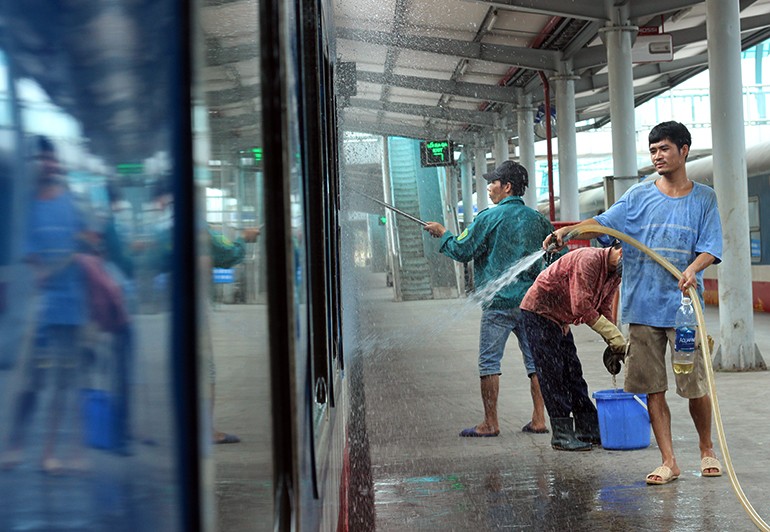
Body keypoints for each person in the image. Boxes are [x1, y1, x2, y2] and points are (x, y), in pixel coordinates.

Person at [545, 121, 723, 483]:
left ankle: (707, 450)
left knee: (695, 385)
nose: (657, 155)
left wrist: (692, 269)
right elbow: (604, 224)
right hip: (642, 310)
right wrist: (571, 231)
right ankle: (669, 460)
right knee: (651, 387)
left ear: (684, 150)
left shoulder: (704, 198)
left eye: (664, 149)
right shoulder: (639, 196)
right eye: (653, 149)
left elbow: (712, 248)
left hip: (684, 310)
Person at [424, 160, 556, 437]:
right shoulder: (538, 219)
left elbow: (463, 251)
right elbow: (554, 258)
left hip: (498, 304)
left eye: (493, 182)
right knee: (535, 363)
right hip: (531, 303)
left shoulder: (488, 217)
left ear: (507, 187)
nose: (489, 188)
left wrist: (444, 234)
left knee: (489, 363)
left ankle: (490, 423)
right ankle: (539, 419)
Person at [1, 136, 90, 473]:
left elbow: (88, 240)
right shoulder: (26, 207)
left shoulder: (71, 203)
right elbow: (27, 253)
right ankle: (16, 444)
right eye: (43, 159)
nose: (49, 165)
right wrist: (42, 269)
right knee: (33, 382)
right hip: (39, 309)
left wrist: (84, 249)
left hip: (72, 306)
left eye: (52, 160)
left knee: (64, 384)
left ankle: (50, 451)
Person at [520, 243, 624, 451]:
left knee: (573, 372)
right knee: (553, 375)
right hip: (539, 313)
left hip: (560, 318)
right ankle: (561, 433)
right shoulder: (589, 260)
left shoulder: (614, 274)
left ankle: (587, 428)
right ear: (620, 251)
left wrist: (613, 343)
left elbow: (602, 306)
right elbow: (581, 306)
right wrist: (614, 335)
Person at [206, 224, 260, 444]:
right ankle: (206, 430)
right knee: (205, 371)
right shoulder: (199, 228)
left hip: (168, 308)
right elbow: (227, 254)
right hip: (194, 306)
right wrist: (243, 238)